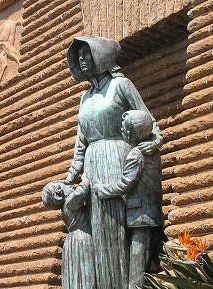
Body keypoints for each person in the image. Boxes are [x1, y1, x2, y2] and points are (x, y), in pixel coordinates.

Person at [63, 36, 163, 289]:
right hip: (93, 165)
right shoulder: (85, 98)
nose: (83, 59)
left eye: (87, 53)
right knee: (97, 232)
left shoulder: (121, 85)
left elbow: (148, 121)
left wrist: (154, 141)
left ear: (101, 56)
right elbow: (80, 142)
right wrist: (71, 175)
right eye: (80, 56)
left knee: (117, 229)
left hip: (117, 158)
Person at [93, 110, 164, 289]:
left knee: (136, 272)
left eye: (125, 129)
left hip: (139, 217)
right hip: (152, 213)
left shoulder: (136, 154)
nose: (122, 131)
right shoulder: (153, 152)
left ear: (132, 133)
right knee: (149, 265)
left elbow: (125, 184)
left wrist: (103, 190)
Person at [42, 180, 96, 289]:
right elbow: (82, 190)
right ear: (59, 193)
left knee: (76, 272)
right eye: (65, 186)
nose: (70, 186)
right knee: (85, 271)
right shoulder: (70, 202)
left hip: (72, 240)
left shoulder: (65, 208)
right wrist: (86, 177)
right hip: (81, 238)